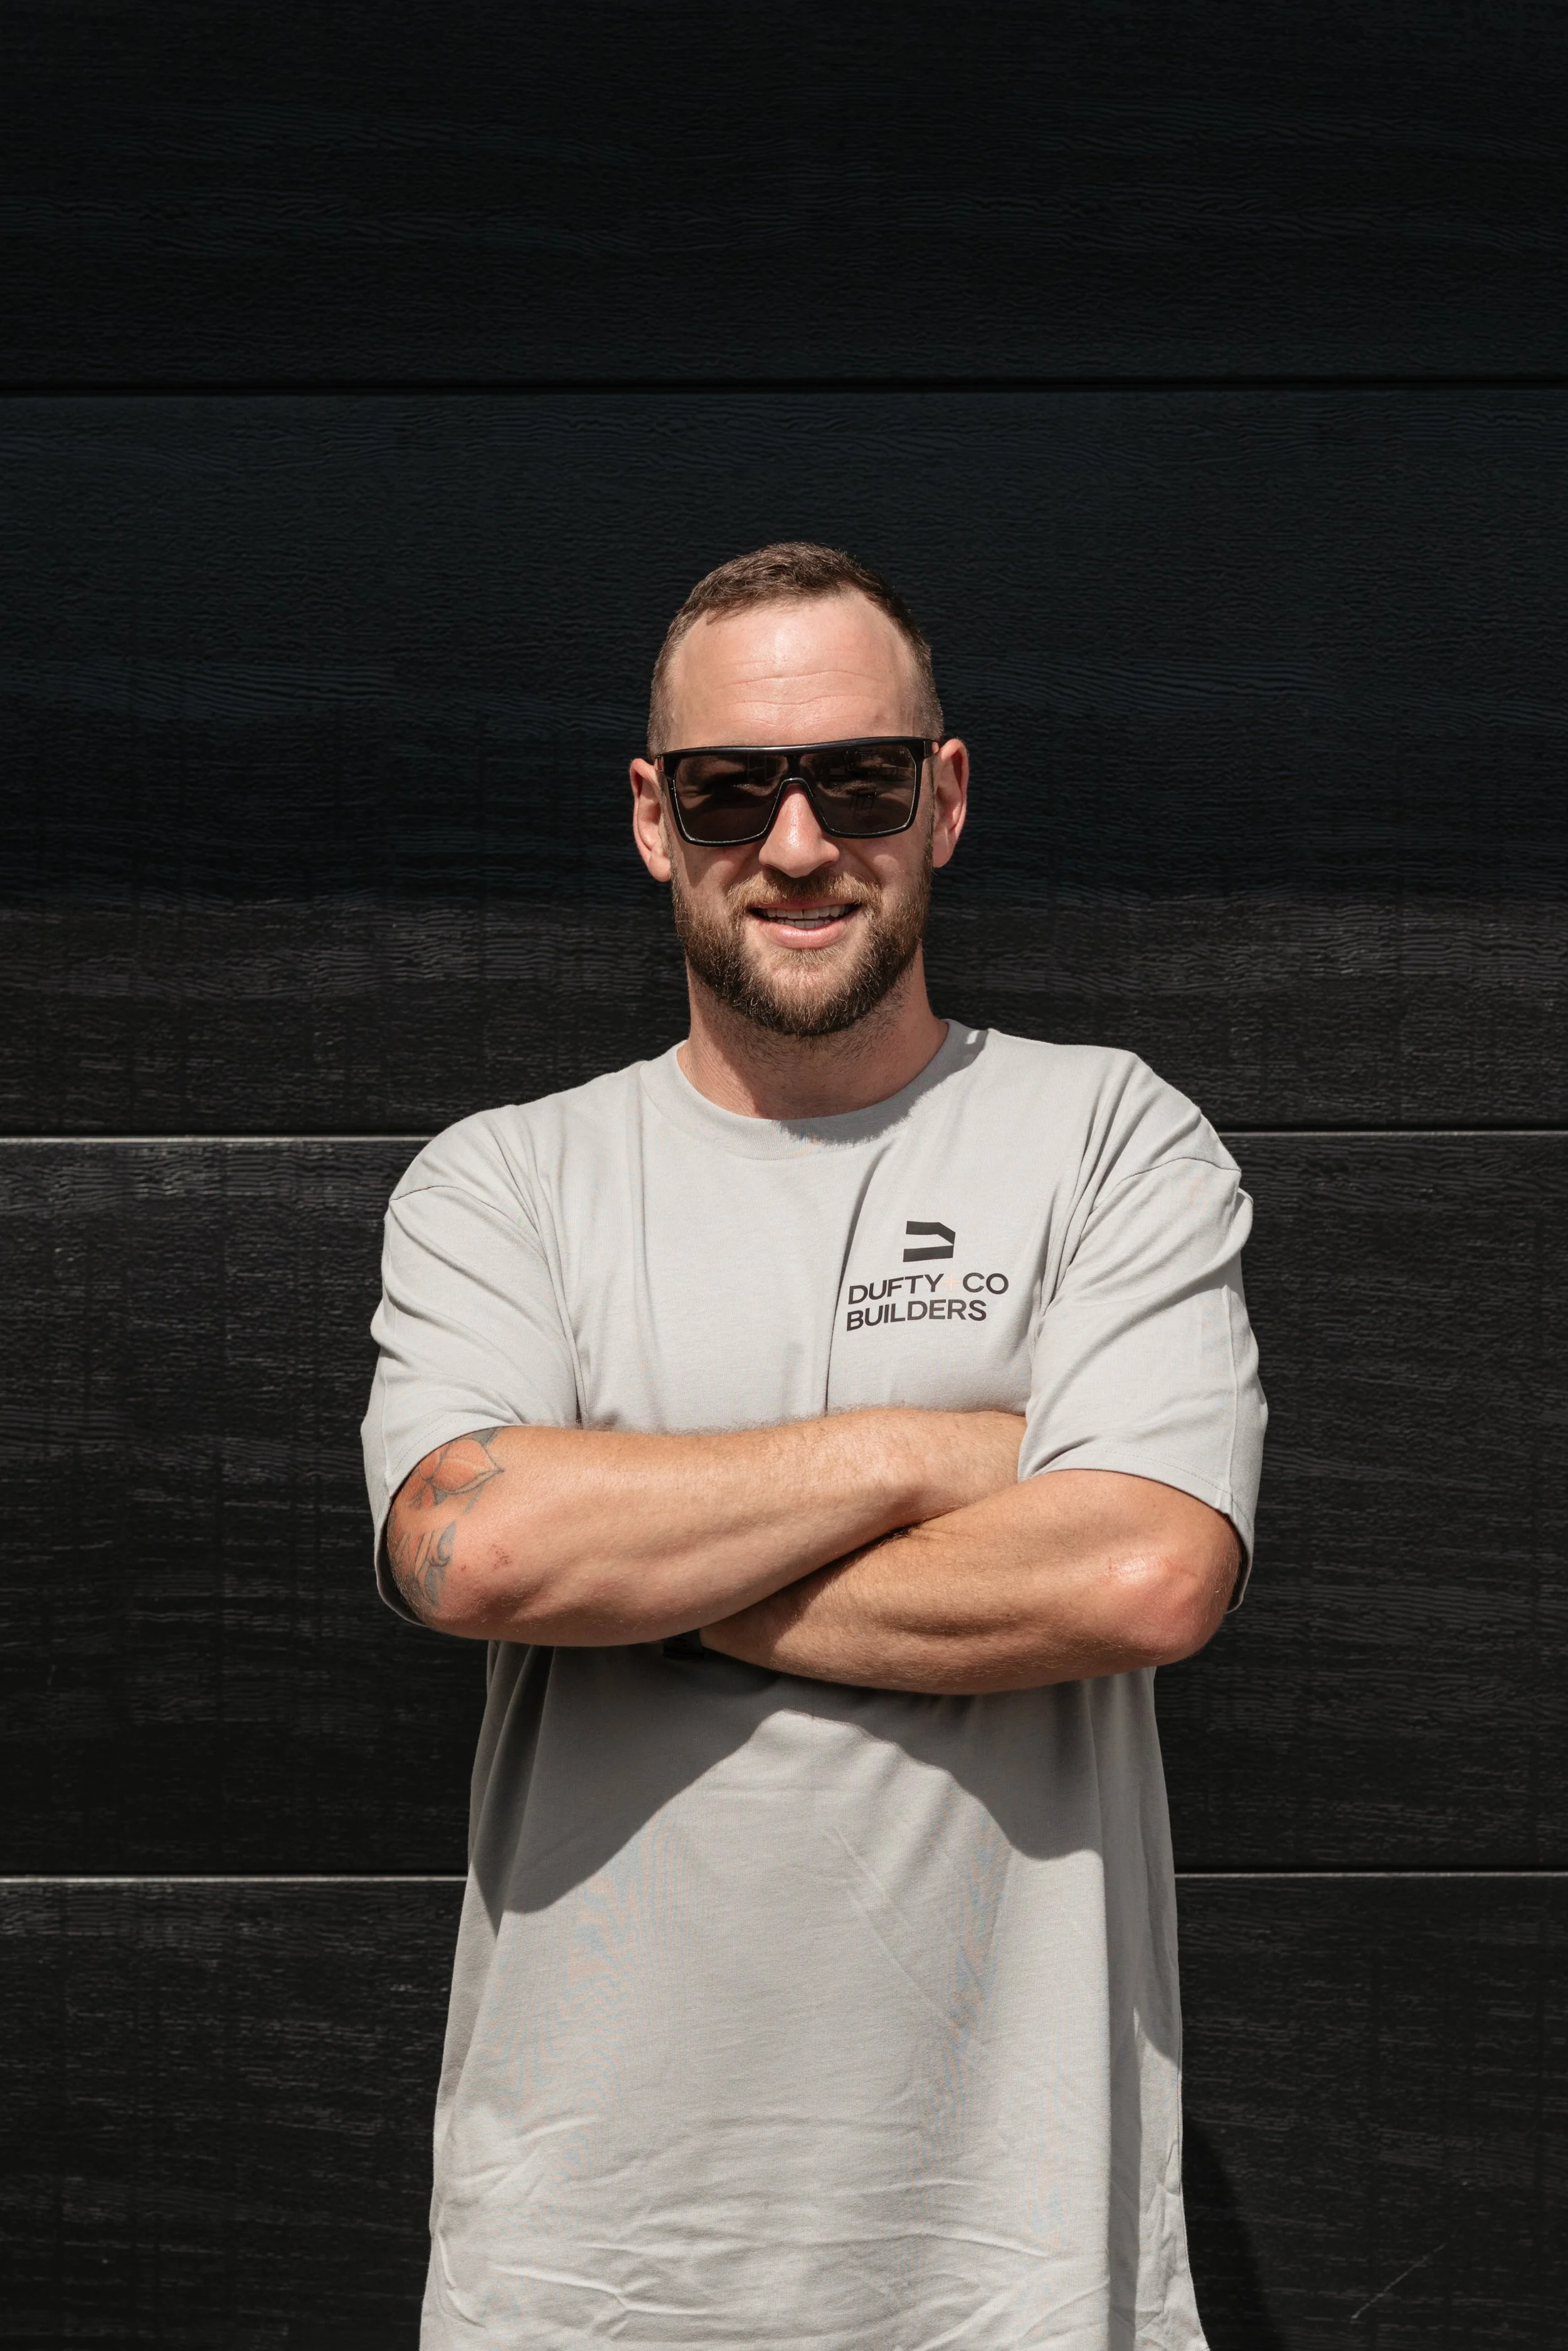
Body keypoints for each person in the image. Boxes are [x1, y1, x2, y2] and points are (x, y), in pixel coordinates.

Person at [362, 541, 1266, 2350]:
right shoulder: (507, 1181)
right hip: (586, 2283)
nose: (792, 845)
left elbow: (1138, 1568)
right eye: (728, 790)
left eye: (851, 778)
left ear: (940, 796)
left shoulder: (1111, 1139)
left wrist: (655, 1582)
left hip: (1008, 2279)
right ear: (649, 815)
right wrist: (942, 1454)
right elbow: (475, 1550)